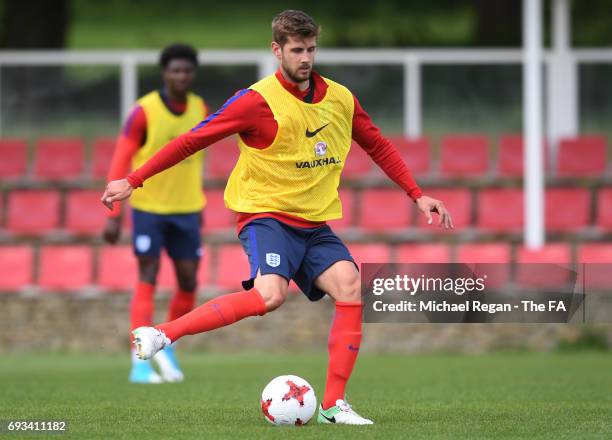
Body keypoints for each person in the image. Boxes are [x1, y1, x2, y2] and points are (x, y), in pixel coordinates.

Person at [102, 10, 452, 423]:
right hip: (266, 216)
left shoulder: (340, 98)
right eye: (297, 50)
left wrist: (416, 194)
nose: (305, 58)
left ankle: (333, 406)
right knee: (270, 296)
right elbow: (192, 140)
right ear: (277, 50)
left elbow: (377, 144)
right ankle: (162, 334)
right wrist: (134, 179)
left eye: (311, 49)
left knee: (350, 285)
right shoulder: (256, 102)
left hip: (314, 223)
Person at [103, 43, 208, 384]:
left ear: (193, 73)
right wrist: (115, 212)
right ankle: (140, 363)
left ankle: (166, 341)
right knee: (148, 275)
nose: (181, 76)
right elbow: (122, 157)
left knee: (189, 283)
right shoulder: (143, 111)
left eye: (187, 70)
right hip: (149, 209)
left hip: (188, 209)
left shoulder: (200, 107)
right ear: (165, 73)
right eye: (175, 70)